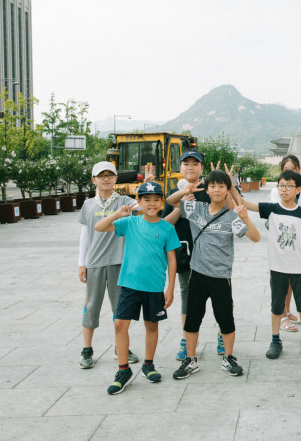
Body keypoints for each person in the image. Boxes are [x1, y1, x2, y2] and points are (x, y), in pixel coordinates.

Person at [168, 169, 261, 379]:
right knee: (192, 319)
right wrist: (185, 191)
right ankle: (190, 360)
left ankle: (228, 358)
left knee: (225, 319)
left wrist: (246, 218)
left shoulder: (231, 217)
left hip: (220, 277)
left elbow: (255, 237)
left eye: (221, 186)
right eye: (212, 186)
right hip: (197, 274)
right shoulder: (196, 209)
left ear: (227, 190)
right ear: (207, 190)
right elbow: (170, 201)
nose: (217, 190)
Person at [94, 181, 181, 395]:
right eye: (146, 200)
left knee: (151, 325)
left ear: (161, 202)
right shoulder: (130, 222)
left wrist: (170, 288)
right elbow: (99, 227)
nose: (151, 204)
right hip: (130, 284)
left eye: (156, 200)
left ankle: (148, 365)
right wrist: (118, 214)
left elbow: (172, 260)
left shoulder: (167, 228)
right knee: (119, 324)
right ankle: (123, 370)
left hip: (154, 286)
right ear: (139, 202)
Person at [233, 170, 301, 360]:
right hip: (278, 267)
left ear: (298, 190)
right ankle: (275, 340)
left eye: (289, 186)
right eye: (281, 186)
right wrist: (231, 184)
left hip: (299, 268)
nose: (284, 190)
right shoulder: (271, 209)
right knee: (277, 306)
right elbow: (244, 203)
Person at [77, 161, 141, 369]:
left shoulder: (124, 201)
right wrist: (81, 263)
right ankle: (87, 349)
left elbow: (143, 208)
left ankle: (120, 348)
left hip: (118, 262)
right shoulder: (88, 205)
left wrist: (145, 187)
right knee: (91, 306)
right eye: (101, 175)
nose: (106, 179)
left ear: (116, 178)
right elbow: (85, 235)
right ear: (93, 180)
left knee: (120, 308)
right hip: (95, 262)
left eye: (110, 175)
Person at [160, 151, 222, 361]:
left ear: (201, 168)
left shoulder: (210, 190)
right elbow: (164, 225)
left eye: (195, 164)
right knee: (187, 296)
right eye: (186, 163)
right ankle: (186, 340)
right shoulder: (173, 194)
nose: (190, 167)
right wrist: (181, 206)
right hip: (185, 254)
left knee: (220, 296)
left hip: (212, 254)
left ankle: (223, 334)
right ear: (180, 168)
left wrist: (222, 184)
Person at [271, 155, 301, 331]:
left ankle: (287, 312)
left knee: (292, 283)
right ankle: (282, 316)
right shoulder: (278, 191)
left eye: (293, 169)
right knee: (282, 284)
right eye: (286, 169)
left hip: (298, 244)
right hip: (282, 243)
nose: (290, 172)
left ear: (299, 170)